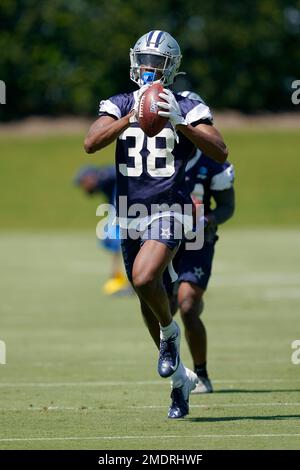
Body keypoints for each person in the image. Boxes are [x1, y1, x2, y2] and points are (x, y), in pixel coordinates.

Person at [84, 30, 228, 418]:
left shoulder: (186, 104)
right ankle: (180, 380)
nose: (148, 69)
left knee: (146, 279)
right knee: (148, 299)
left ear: (172, 67)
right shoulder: (119, 102)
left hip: (172, 208)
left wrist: (181, 123)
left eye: (157, 62)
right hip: (131, 210)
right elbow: (91, 142)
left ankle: (170, 334)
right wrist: (132, 116)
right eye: (143, 60)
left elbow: (220, 148)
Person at [74, 165, 129, 295]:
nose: (84, 188)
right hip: (119, 210)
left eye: (83, 183)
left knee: (114, 240)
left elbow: (122, 172)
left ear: (89, 178)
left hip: (125, 210)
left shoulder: (104, 176)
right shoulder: (103, 185)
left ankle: (125, 279)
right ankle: (118, 278)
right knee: (112, 241)